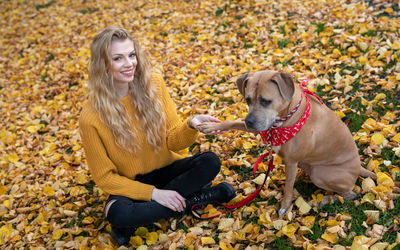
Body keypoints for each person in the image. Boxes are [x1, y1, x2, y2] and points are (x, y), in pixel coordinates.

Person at [79, 26, 235, 246]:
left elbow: (173, 139)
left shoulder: (154, 83)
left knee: (209, 162)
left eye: (131, 55)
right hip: (131, 183)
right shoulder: (90, 117)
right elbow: (105, 178)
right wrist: (153, 193)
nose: (129, 64)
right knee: (118, 213)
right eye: (118, 58)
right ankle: (200, 198)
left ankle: (142, 218)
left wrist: (191, 125)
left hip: (168, 170)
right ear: (103, 65)